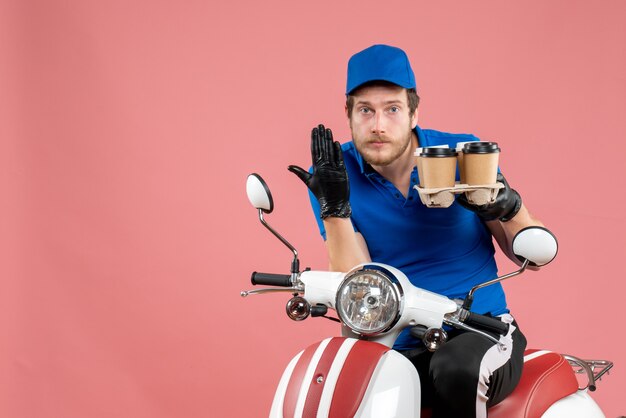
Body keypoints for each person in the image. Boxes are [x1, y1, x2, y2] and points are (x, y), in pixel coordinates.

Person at [288, 44, 546, 418]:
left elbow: (529, 254)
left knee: (455, 369)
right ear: (348, 115)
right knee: (334, 382)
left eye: (392, 109)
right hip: (394, 338)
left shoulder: (461, 152)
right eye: (365, 110)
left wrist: (509, 205)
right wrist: (335, 210)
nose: (378, 125)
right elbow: (357, 284)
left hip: (477, 331)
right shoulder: (334, 171)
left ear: (413, 113)